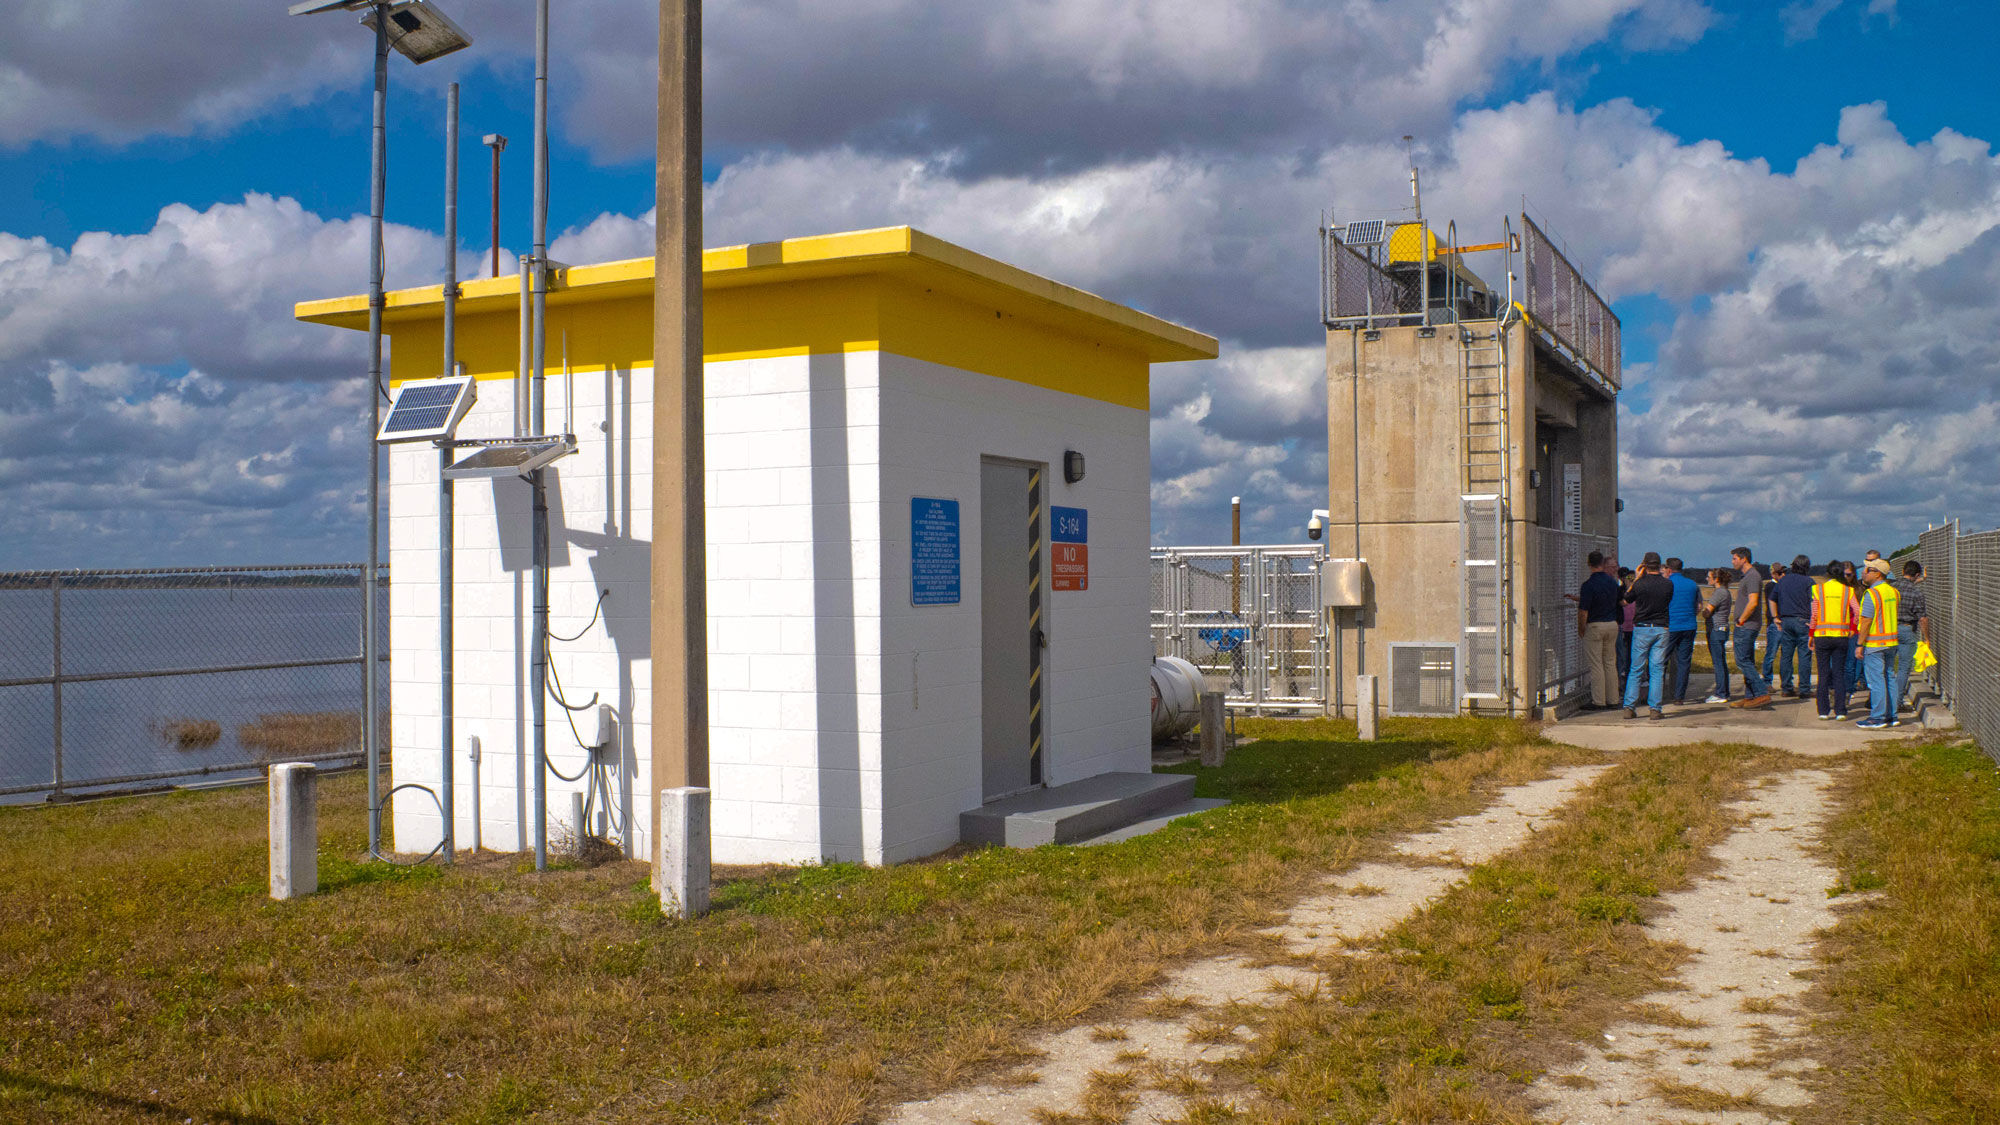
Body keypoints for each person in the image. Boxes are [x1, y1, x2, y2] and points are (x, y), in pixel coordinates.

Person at [1620, 552, 1674, 720]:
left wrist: (1636, 578)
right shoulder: (1668, 584)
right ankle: (1655, 709)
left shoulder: (1639, 584)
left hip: (1642, 628)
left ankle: (1629, 707)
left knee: (1636, 669)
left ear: (1644, 565)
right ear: (1659, 565)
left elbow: (1625, 600)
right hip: (1661, 628)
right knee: (1656, 670)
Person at [1855, 559, 1902, 728]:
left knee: (1876, 681)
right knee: (1889, 678)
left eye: (1867, 569)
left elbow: (1866, 621)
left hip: (1875, 643)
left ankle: (1878, 717)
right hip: (1891, 642)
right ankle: (1892, 715)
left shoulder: (1872, 594)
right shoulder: (1893, 592)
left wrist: (1860, 644)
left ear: (1877, 573)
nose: (1863, 572)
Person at [1811, 559, 1860, 720]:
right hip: (1841, 637)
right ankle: (1841, 710)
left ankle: (1823, 711)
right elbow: (1857, 611)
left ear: (1827, 573)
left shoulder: (1818, 589)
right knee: (1839, 673)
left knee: (1823, 674)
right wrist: (1853, 628)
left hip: (1822, 637)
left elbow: (1815, 615)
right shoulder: (1848, 591)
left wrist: (1811, 634)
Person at [1577, 550, 1622, 709]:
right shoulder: (1613, 583)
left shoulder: (1588, 585)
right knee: (1610, 662)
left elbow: (1584, 610)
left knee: (1596, 664)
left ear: (1589, 564)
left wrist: (1581, 628)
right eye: (1612, 566)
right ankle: (1613, 699)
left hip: (1595, 625)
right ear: (1603, 564)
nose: (1615, 569)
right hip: (1612, 624)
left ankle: (1599, 701)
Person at [1728, 548, 1773, 708]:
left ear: (1744, 559)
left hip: (1746, 625)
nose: (1732, 561)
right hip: (1746, 624)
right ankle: (1750, 696)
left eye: (1734, 558)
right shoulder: (1748, 576)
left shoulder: (1752, 576)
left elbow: (1753, 602)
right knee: (1748, 660)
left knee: (1742, 660)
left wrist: (1741, 620)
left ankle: (1761, 693)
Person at [1770, 555, 1816, 697]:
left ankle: (1786, 688)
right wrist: (1814, 622)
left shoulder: (1783, 581)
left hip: (1786, 621)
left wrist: (1775, 617)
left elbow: (1772, 600)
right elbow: (1814, 602)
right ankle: (1804, 689)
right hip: (1803, 620)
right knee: (1804, 656)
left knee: (1786, 656)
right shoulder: (1809, 581)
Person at [1893, 559, 1931, 712]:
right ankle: (1897, 702)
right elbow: (1922, 618)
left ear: (1903, 571)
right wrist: (1927, 638)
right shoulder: (1917, 592)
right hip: (1907, 629)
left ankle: (1882, 700)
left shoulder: (1892, 587)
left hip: (1889, 629)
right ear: (1917, 575)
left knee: (1887, 666)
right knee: (1903, 667)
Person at [1663, 557, 1701, 705]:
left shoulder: (1667, 584)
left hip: (1671, 626)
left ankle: (1657, 694)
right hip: (1689, 625)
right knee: (1684, 662)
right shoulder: (1692, 584)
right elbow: (1699, 606)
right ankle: (1679, 696)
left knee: (1662, 660)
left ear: (1669, 569)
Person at [1701, 568, 1734, 702]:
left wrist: (1703, 612)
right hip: (1722, 628)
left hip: (1716, 629)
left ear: (1716, 579)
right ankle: (1724, 691)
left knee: (1718, 662)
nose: (1707, 579)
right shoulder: (1726, 592)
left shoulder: (1719, 593)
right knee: (1721, 661)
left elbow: (1708, 611)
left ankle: (1721, 693)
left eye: (1709, 577)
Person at [1615, 567, 1637, 686]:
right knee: (1623, 654)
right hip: (1624, 625)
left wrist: (1631, 580)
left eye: (1627, 577)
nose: (1625, 579)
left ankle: (1630, 675)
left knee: (1632, 654)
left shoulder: (1634, 590)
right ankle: (1623, 676)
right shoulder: (1619, 590)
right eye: (1623, 577)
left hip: (1634, 626)